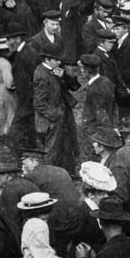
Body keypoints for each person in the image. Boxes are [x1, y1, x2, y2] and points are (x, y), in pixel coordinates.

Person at [33, 44, 81, 173]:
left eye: (60, 60)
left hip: (63, 115)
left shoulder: (57, 70)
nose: (59, 62)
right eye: (56, 60)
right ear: (47, 60)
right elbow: (39, 103)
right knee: (52, 151)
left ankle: (68, 173)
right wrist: (56, 115)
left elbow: (75, 86)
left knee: (67, 145)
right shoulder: (41, 75)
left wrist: (64, 76)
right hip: (52, 120)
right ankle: (51, 177)